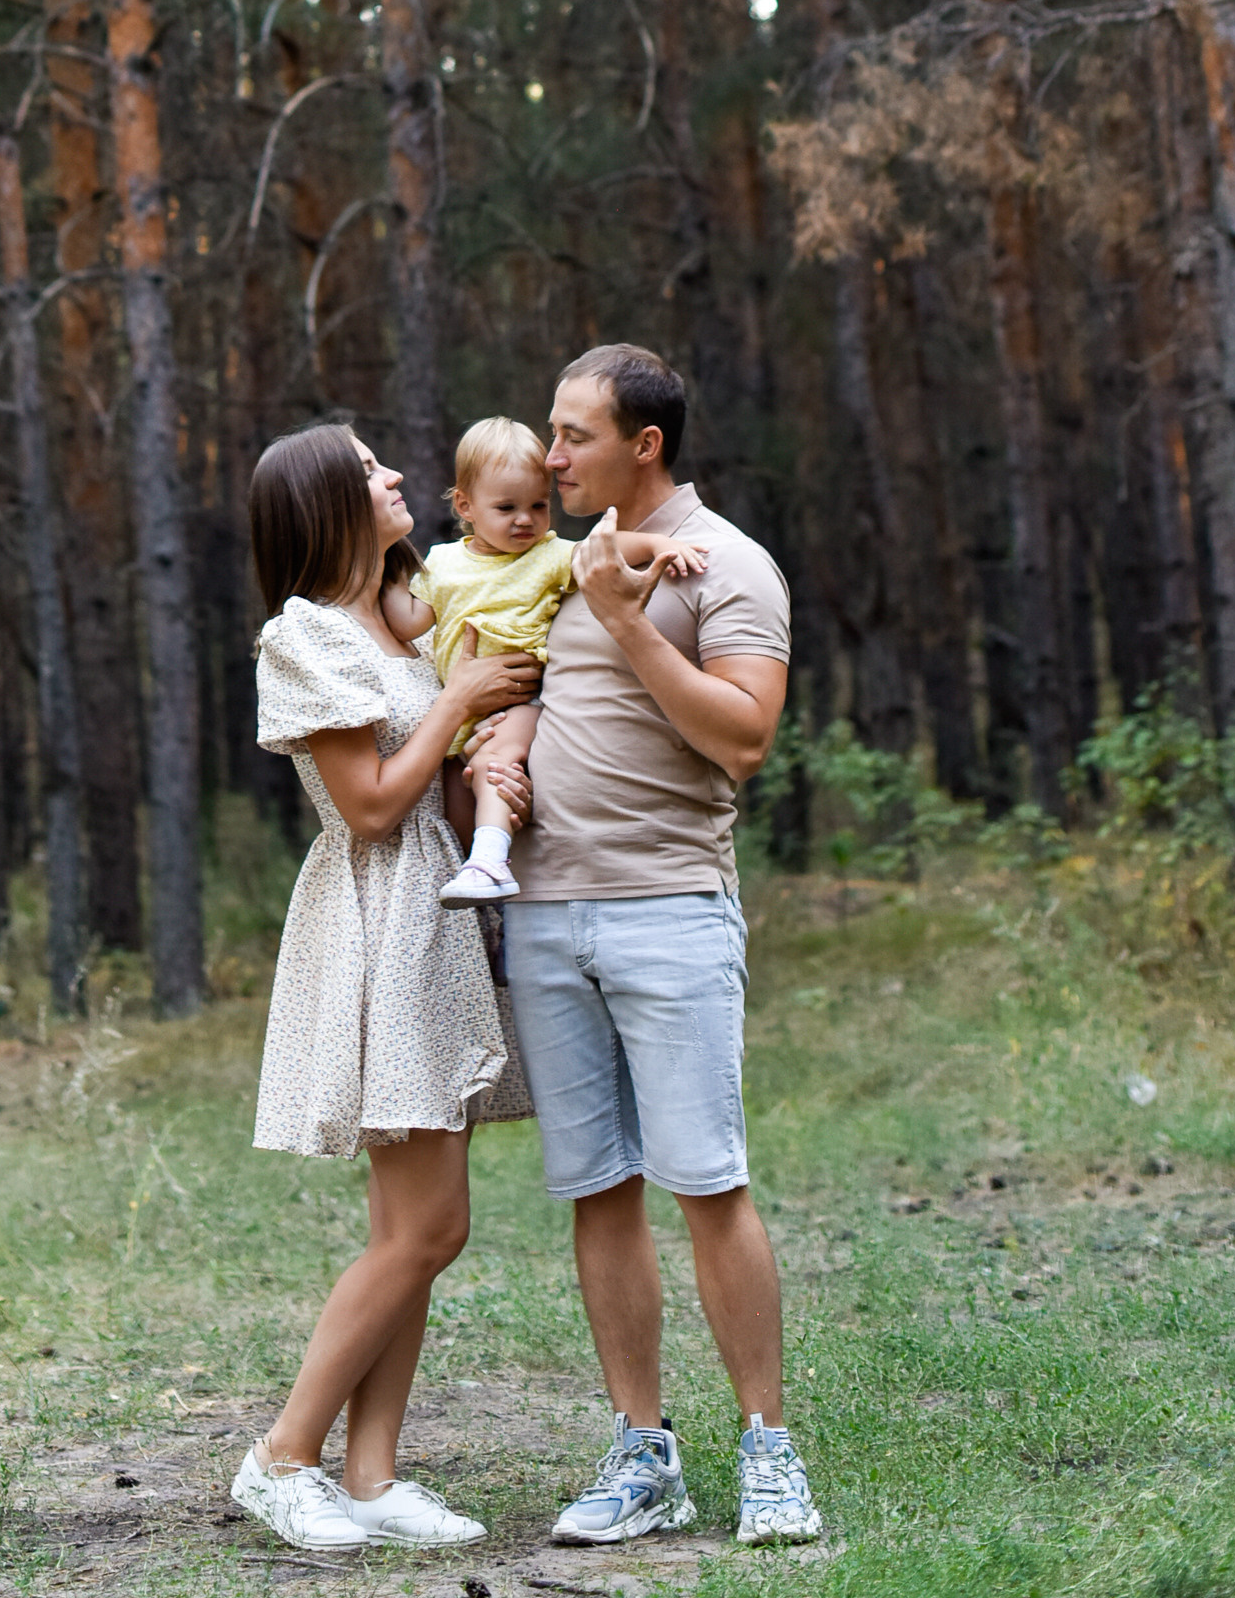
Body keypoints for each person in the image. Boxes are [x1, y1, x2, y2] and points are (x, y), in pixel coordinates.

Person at [488, 342, 824, 1552]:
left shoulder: (728, 564)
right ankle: (644, 1454)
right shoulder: (553, 559)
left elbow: (743, 736)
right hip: (542, 916)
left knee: (708, 1183)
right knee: (596, 1190)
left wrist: (630, 625)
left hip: (669, 910)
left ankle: (768, 1450)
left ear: (645, 445)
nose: (551, 453)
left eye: (573, 435)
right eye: (548, 430)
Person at [232, 422, 543, 1562]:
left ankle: (370, 1475)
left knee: (409, 1227)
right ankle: (281, 1458)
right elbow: (366, 806)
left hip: (435, 925)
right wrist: (459, 701)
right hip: (378, 923)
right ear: (325, 504)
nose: (397, 477)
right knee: (430, 1226)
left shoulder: (403, 616)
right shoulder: (304, 637)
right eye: (369, 470)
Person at [406, 416, 703, 908]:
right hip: (458, 709)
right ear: (466, 506)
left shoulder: (548, 556)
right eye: (506, 508)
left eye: (538, 505)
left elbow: (603, 551)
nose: (525, 520)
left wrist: (657, 544)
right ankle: (489, 914)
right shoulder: (440, 563)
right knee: (455, 804)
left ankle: (490, 862)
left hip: (520, 701)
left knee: (494, 769)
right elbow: (413, 618)